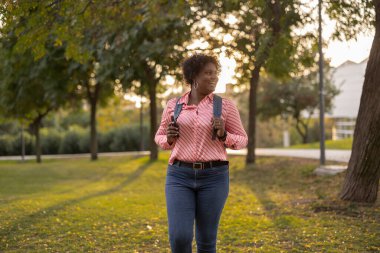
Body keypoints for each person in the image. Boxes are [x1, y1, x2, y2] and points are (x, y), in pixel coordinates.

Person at [154, 53, 248, 253]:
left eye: (215, 73)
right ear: (193, 76)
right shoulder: (174, 105)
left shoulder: (225, 106)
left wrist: (224, 134)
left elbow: (242, 140)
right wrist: (169, 138)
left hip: (214, 178)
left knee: (206, 241)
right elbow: (160, 137)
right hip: (179, 176)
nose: (214, 77)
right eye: (208, 73)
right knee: (180, 237)